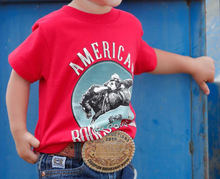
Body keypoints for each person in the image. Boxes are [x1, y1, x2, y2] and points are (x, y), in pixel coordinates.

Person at [6, 0, 215, 178]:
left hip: (120, 161)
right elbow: (20, 74)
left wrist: (192, 65)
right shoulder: (51, 29)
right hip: (66, 163)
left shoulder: (129, 26)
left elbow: (149, 58)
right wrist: (19, 132)